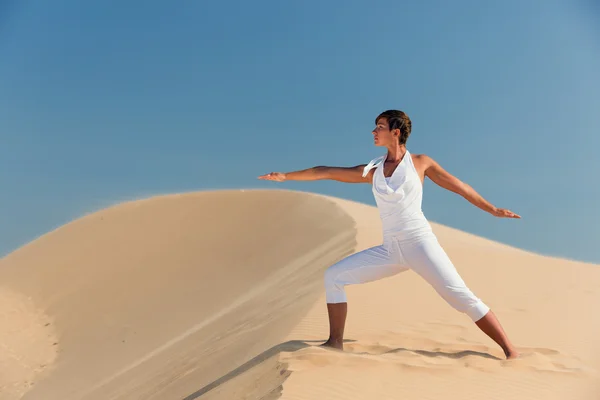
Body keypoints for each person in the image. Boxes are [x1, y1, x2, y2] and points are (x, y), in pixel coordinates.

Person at [258, 109, 520, 359]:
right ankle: (335, 343)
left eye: (380, 127)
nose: (374, 131)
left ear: (396, 132)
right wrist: (285, 176)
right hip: (390, 250)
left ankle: (511, 351)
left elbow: (460, 187)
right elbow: (324, 171)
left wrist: (493, 209)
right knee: (334, 276)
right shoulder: (372, 171)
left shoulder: (421, 163)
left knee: (461, 297)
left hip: (420, 244)